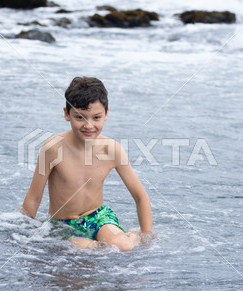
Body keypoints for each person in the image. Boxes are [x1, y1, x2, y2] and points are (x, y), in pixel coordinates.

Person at [21, 77, 152, 251]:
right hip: (63, 225)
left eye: (96, 117)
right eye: (80, 117)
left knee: (124, 246)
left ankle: (131, 236)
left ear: (106, 114)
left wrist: (146, 235)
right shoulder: (53, 148)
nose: (89, 125)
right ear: (67, 114)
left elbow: (140, 196)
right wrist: (21, 232)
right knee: (86, 249)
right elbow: (34, 197)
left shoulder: (112, 150)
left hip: (98, 217)